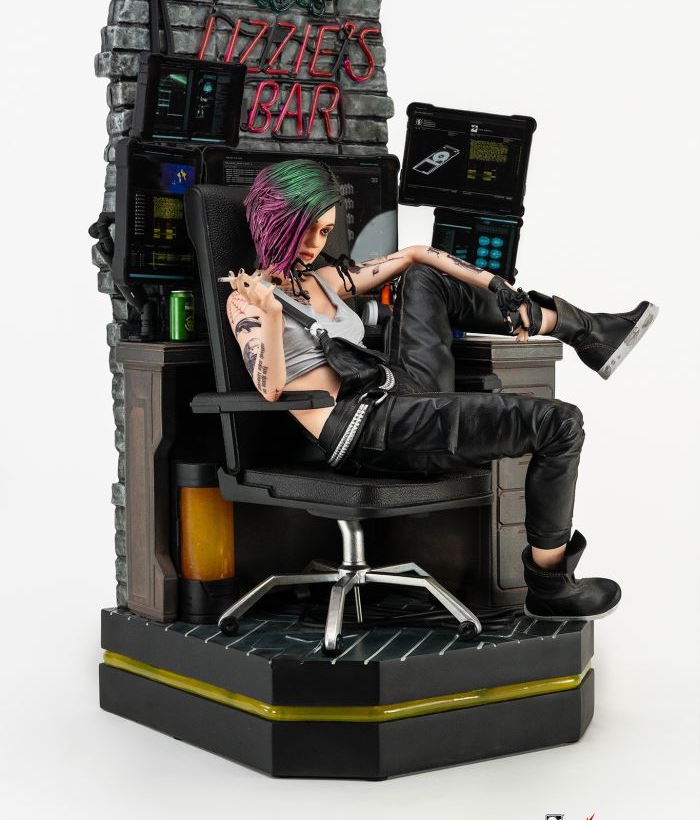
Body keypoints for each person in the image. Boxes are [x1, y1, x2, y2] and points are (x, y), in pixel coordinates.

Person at [226, 159, 658, 622]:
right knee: (560, 423)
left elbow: (415, 255)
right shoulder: (246, 300)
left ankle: (581, 329)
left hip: (399, 392)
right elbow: (271, 388)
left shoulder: (321, 281)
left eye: (326, 231)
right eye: (308, 230)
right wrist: (272, 314)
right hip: (366, 429)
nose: (316, 244)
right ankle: (551, 586)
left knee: (423, 278)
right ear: (277, 222)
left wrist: (498, 285)